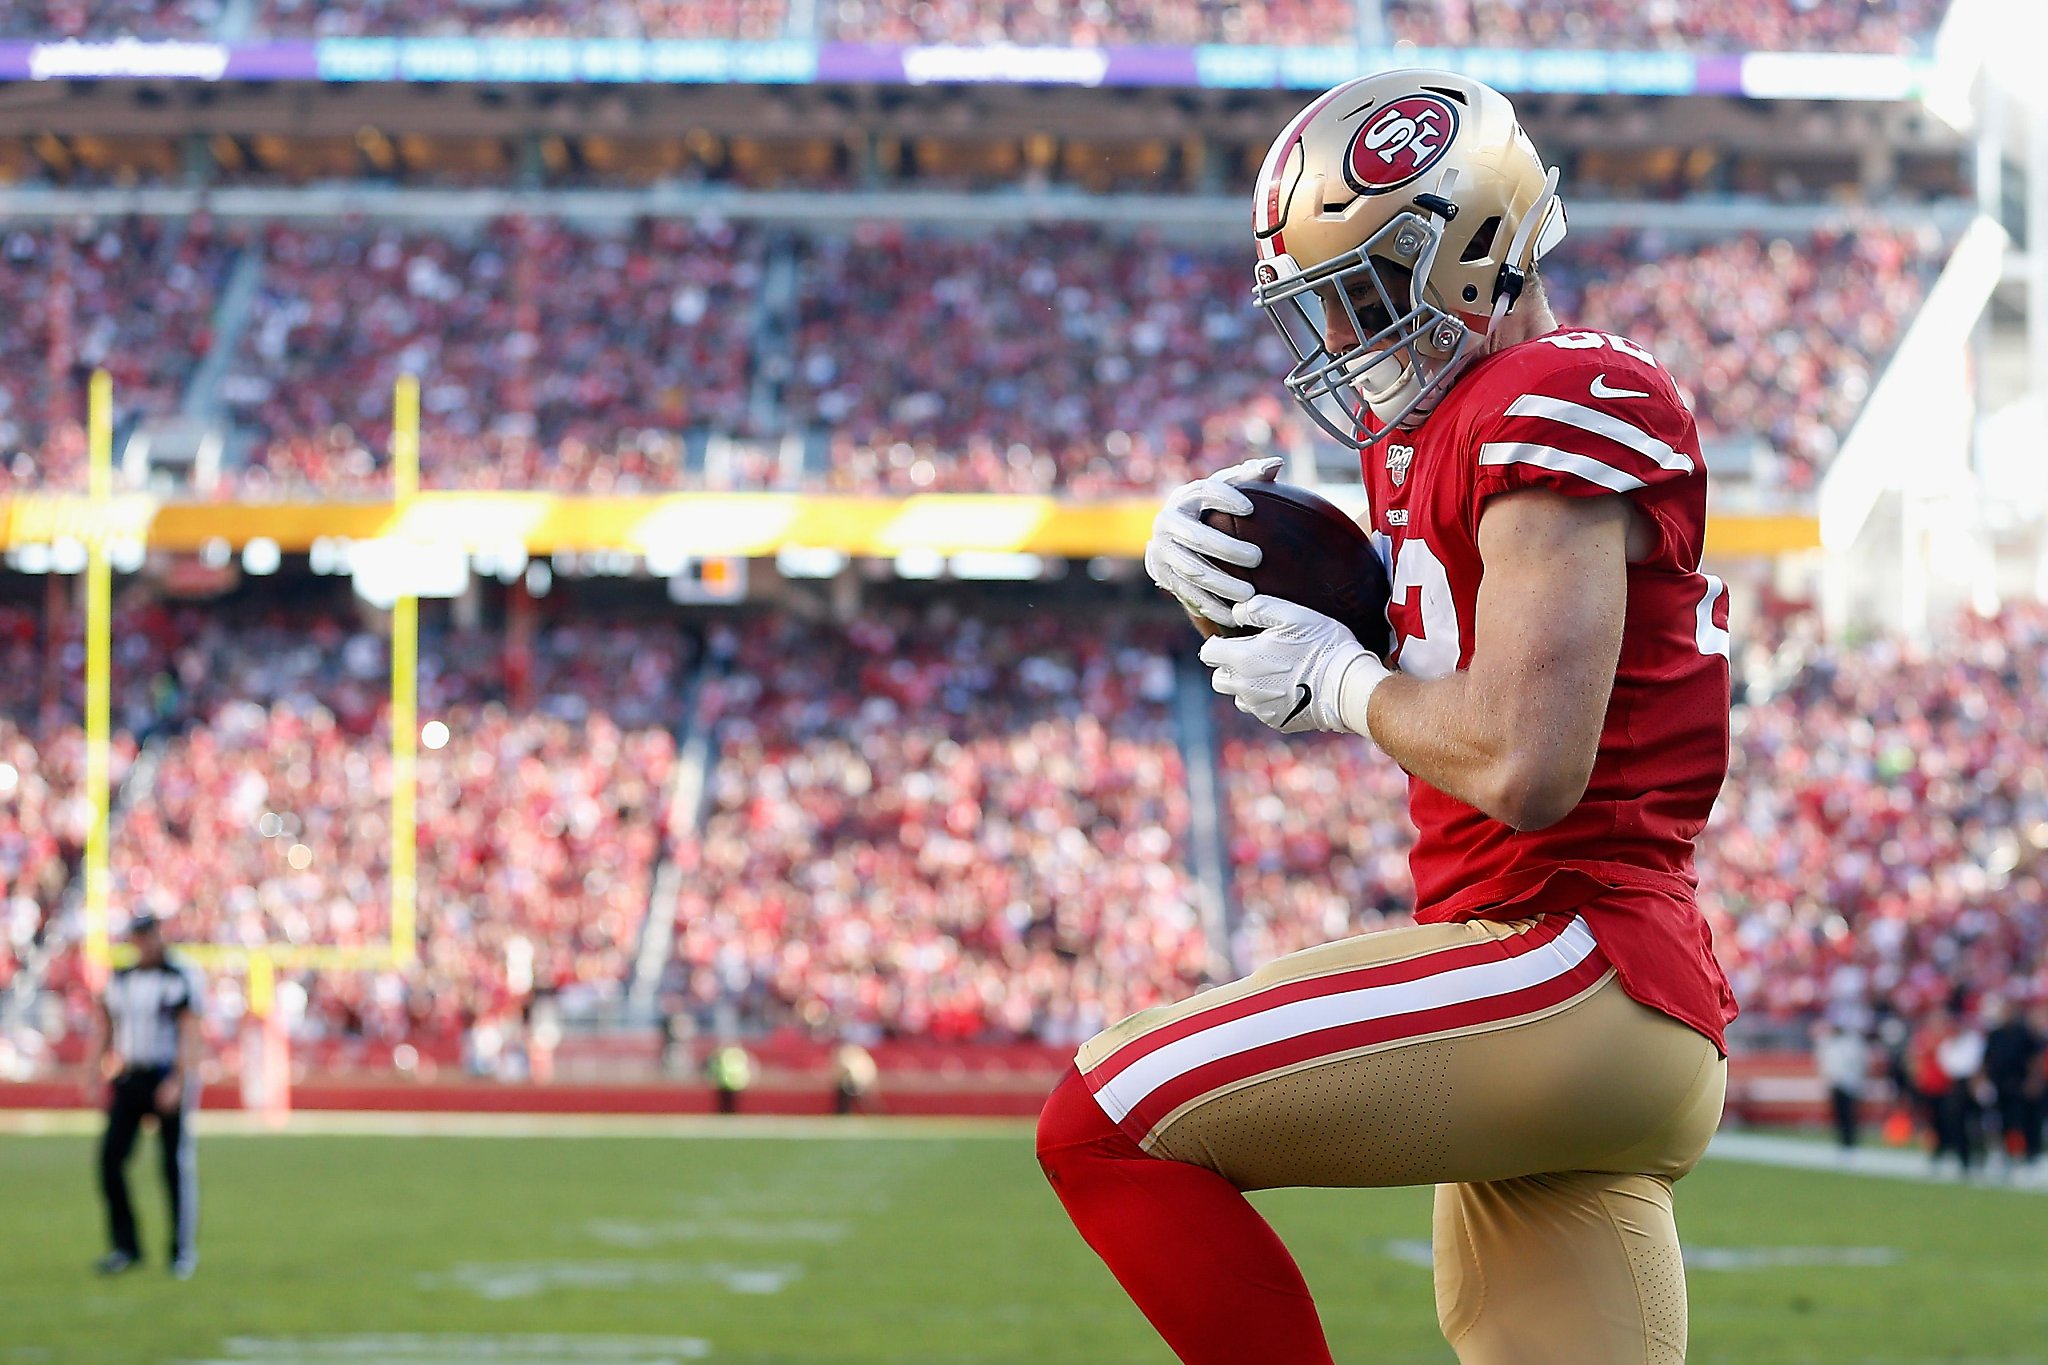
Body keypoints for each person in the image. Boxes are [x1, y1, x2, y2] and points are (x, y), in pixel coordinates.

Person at [1038, 68, 1735, 1365]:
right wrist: (1273, 579)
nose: (1344, 338)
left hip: (1570, 960)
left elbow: (1529, 763)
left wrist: (1344, 683)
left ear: (1471, 250)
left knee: (1105, 1118)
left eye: (1363, 293)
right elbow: (1452, 637)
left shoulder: (1558, 393)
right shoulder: (1447, 432)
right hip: (1577, 997)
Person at [89, 912, 205, 1279]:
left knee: (173, 1165)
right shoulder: (121, 979)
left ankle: (180, 1250)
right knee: (110, 1160)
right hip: (131, 1076)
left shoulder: (179, 976)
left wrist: (178, 1079)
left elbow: (189, 1032)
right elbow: (106, 1025)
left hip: (165, 1073)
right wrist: (93, 1070)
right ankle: (126, 1247)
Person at [1980, 998, 2040, 1170]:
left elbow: (2033, 1059)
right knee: (1999, 1122)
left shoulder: (2024, 1033)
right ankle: (2004, 1155)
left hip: (2018, 1083)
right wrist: (1983, 1081)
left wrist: (2033, 1080)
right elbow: (1986, 1059)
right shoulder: (1995, 1034)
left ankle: (2028, 1156)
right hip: (1998, 1084)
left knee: (2022, 1120)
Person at [1814, 1019, 1872, 1151]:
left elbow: (1859, 1065)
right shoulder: (1828, 1042)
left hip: (1850, 1084)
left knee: (1849, 1115)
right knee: (1838, 1115)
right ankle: (1841, 1142)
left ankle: (1850, 1142)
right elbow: (1825, 1065)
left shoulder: (1852, 1043)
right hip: (1835, 1083)